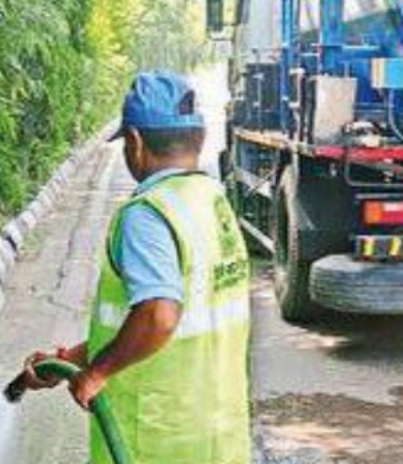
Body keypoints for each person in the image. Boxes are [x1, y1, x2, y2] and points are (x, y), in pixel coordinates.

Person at [20, 70, 251, 464]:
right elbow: (182, 320)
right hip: (216, 435)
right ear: (198, 139)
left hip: (155, 440)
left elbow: (159, 316)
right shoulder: (211, 201)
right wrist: (72, 360)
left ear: (136, 142)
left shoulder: (148, 214)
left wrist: (96, 374)